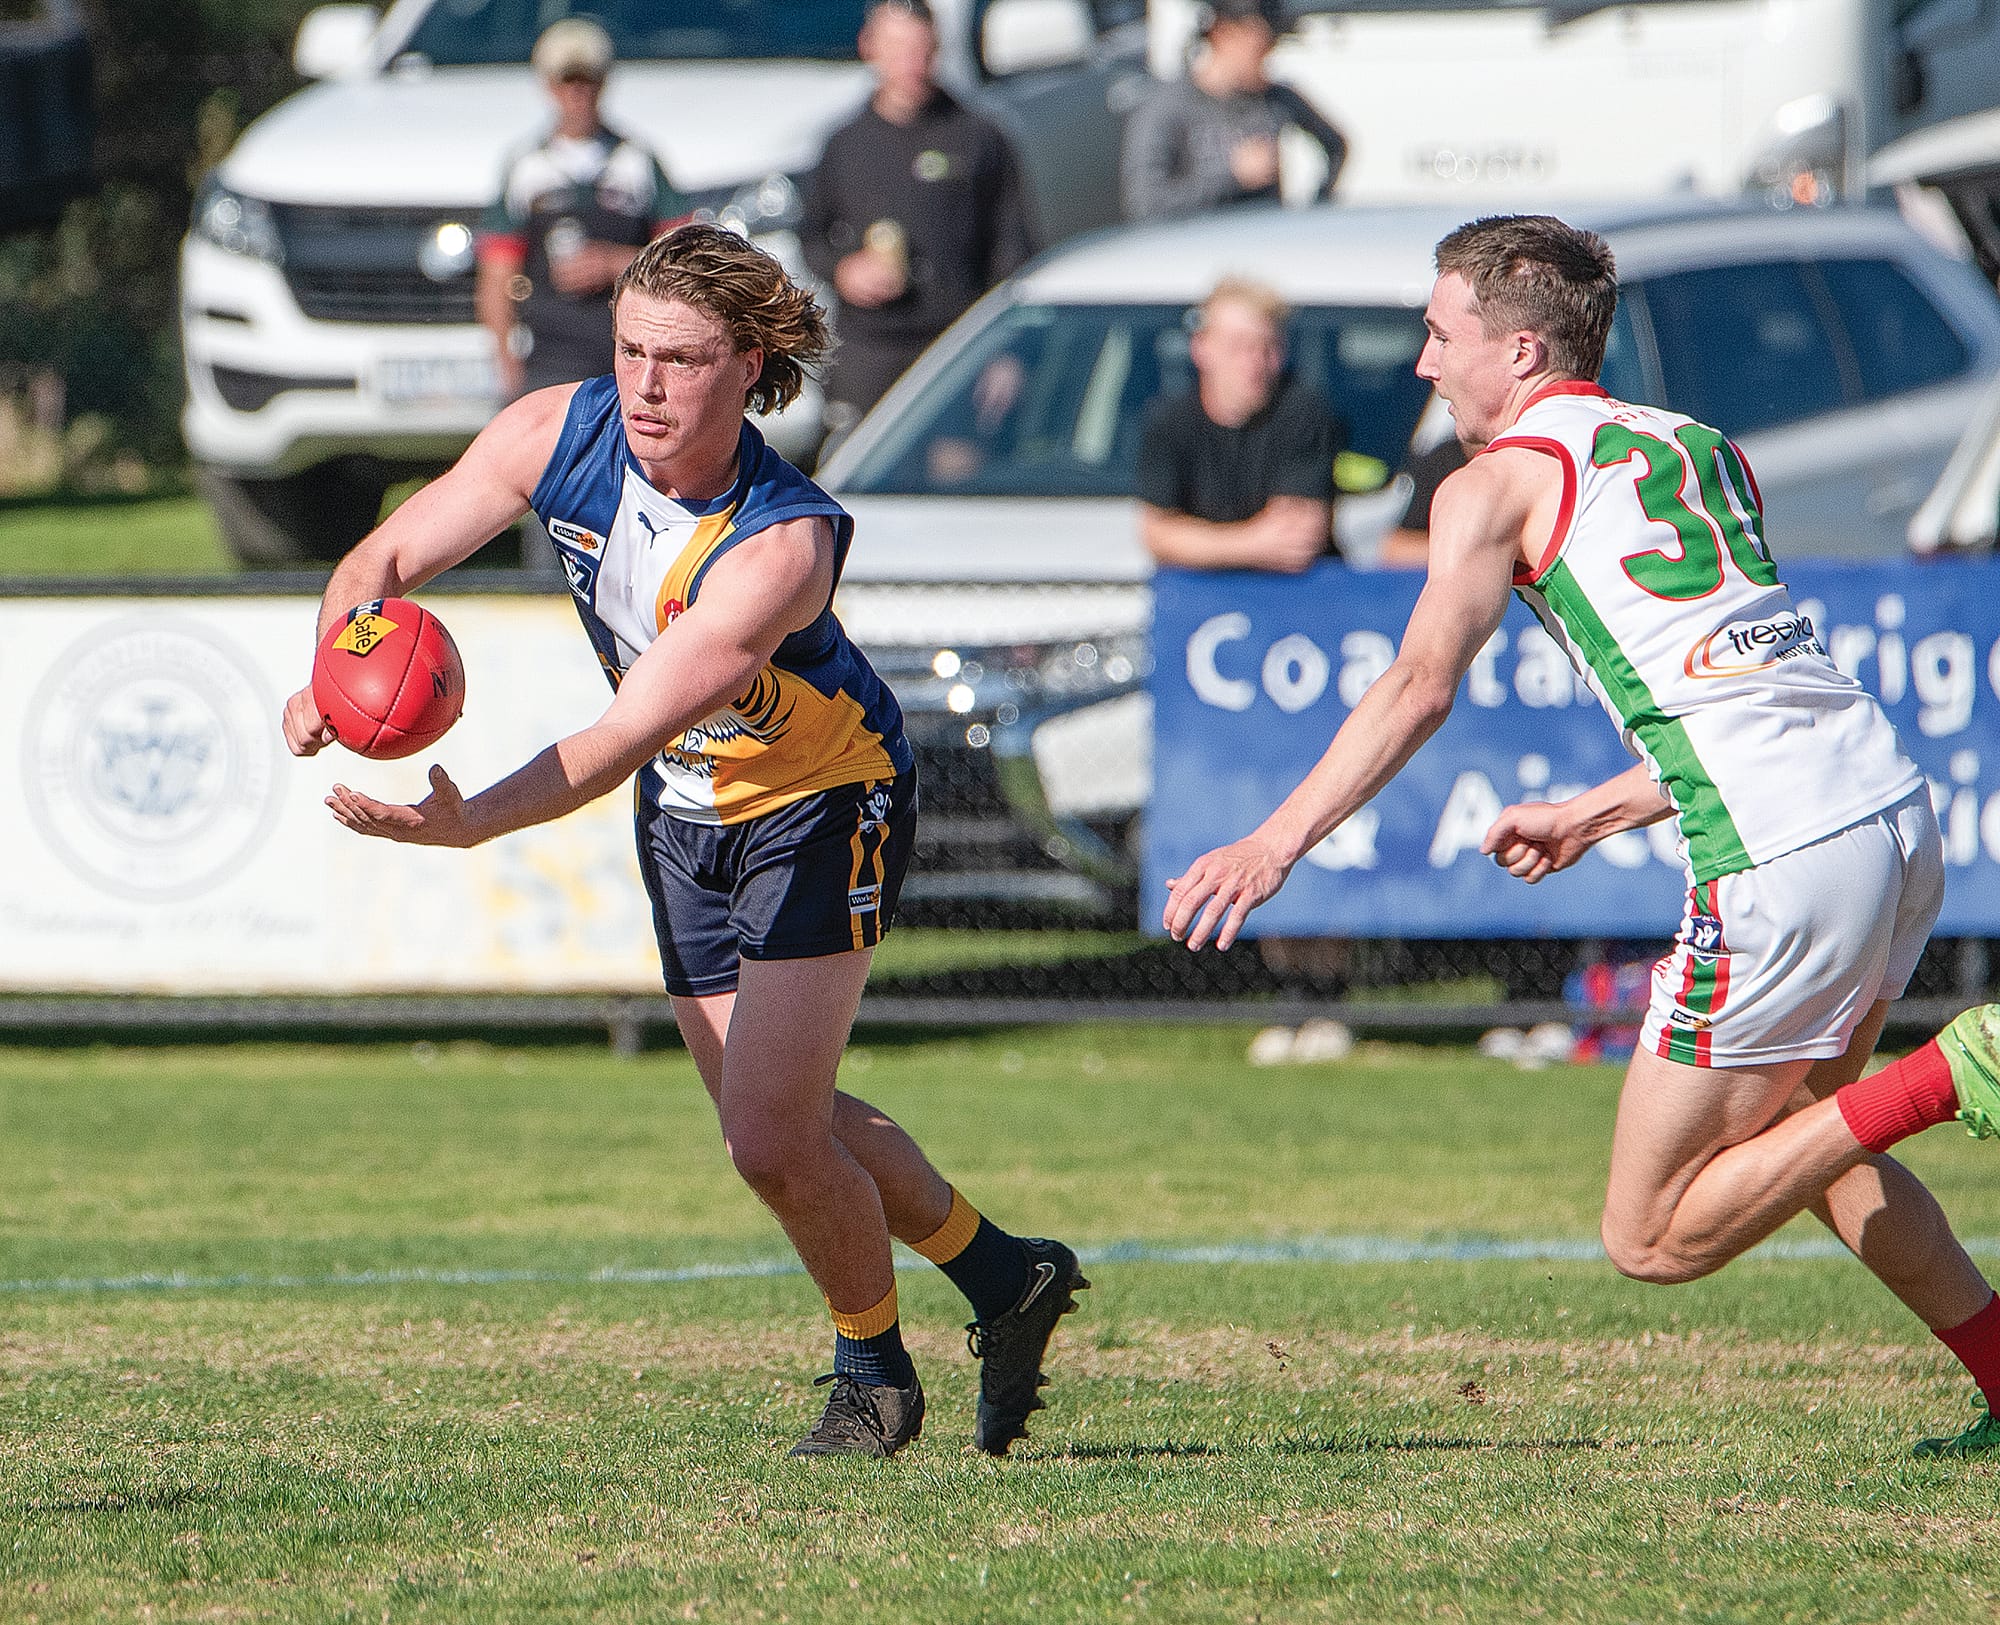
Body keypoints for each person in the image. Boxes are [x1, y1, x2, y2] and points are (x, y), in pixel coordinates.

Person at [1164, 211, 2000, 1459]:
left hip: (1778, 852)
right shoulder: (1698, 444)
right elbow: (1736, 689)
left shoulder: (1490, 482)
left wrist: (1275, 841)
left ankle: (1951, 1071)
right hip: (1885, 811)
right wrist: (1593, 808)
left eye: (1440, 335)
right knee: (1809, 1129)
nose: (1423, 363)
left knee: (1651, 1232)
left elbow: (1418, 683)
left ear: (1516, 351)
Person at [282, 224, 1086, 1461]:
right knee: (782, 1116)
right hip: (690, 806)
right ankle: (1003, 1274)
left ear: (750, 363)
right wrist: (334, 676)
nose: (646, 386)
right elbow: (382, 559)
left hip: (825, 799)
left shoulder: (780, 542)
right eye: (630, 350)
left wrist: (467, 823)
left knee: (767, 1134)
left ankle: (871, 1375)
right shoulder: (558, 431)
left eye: (682, 359)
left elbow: (615, 734)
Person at [798, 0, 1037, 438]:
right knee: (854, 473)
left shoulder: (979, 138)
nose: (913, 66)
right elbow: (811, 236)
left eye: (922, 52)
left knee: (953, 468)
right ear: (869, 48)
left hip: (952, 345)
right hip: (869, 349)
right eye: (899, 51)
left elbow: (1015, 253)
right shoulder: (845, 145)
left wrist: (1008, 354)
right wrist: (844, 270)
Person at [474, 19, 689, 400]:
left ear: (604, 83)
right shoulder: (527, 166)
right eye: (566, 82)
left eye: (587, 81)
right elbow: (496, 273)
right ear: (548, 87)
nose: (577, 94)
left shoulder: (638, 161)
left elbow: (683, 263)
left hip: (630, 353)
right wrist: (505, 357)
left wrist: (613, 263)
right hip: (549, 357)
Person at [1137, 277, 1342, 573]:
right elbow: (1155, 534)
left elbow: (1296, 538)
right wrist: (1251, 544)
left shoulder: (1303, 412)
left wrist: (1193, 542)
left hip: (1295, 600)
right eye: (1238, 346)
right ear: (1201, 348)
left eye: (1267, 347)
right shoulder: (1169, 421)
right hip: (1195, 602)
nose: (1255, 362)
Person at [1120, 0, 1347, 223]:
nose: (1268, 59)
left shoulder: (1276, 98)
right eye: (1260, 48)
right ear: (1223, 34)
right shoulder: (1166, 107)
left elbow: (1336, 146)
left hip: (1264, 245)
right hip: (1195, 250)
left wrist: (1313, 212)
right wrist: (1232, 176)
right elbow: (1145, 205)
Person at [1375, 436, 1468, 569]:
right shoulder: (1443, 459)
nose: (1453, 413)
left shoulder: (1507, 459)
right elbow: (1395, 549)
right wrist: (1469, 553)